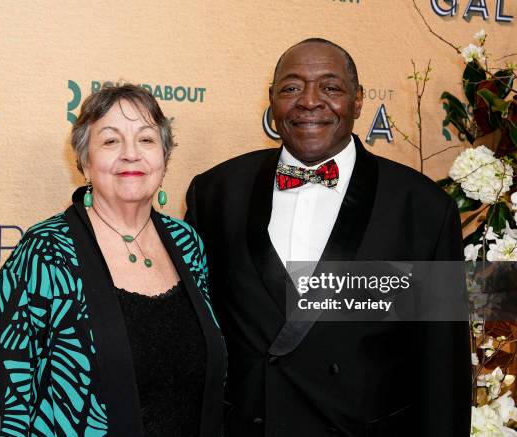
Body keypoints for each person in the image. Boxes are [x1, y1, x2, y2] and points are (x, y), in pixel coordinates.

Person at [185, 38, 471, 437]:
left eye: (331, 88)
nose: (309, 101)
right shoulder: (216, 191)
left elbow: (445, 366)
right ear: (271, 100)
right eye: (291, 87)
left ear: (357, 101)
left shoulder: (422, 208)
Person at [0, 84, 225, 437]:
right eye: (110, 141)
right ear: (84, 162)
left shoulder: (187, 244)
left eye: (147, 140)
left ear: (164, 159)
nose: (130, 154)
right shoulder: (44, 253)